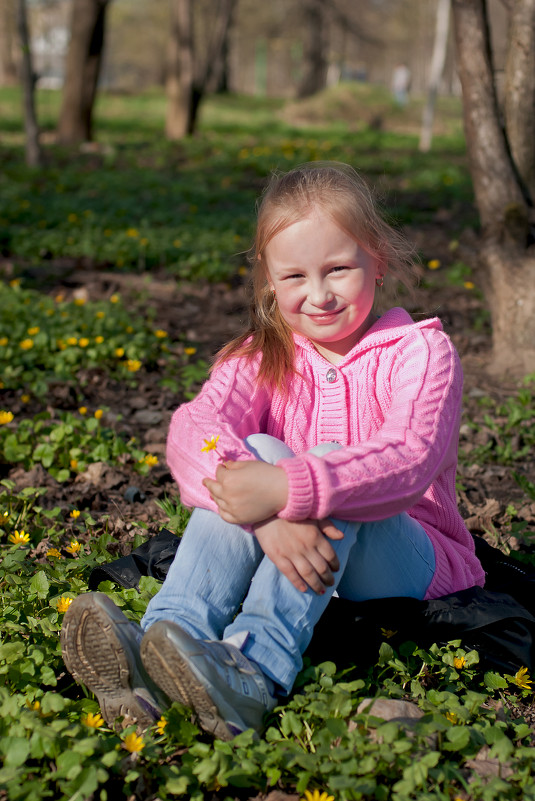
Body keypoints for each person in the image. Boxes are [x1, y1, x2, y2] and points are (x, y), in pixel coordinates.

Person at [61, 162, 485, 742]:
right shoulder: (260, 356)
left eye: (338, 269)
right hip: (297, 546)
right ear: (267, 280)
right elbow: (197, 430)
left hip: (408, 558)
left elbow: (407, 459)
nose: (318, 295)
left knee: (329, 459)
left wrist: (290, 489)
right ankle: (164, 646)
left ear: (378, 259)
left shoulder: (421, 353)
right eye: (294, 277)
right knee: (247, 448)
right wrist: (265, 517)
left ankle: (254, 669)